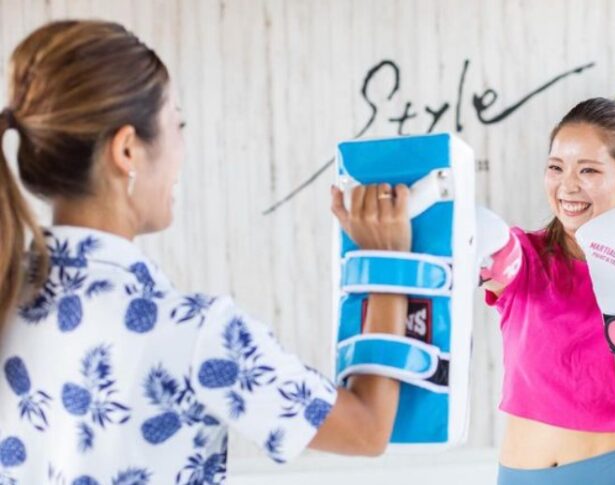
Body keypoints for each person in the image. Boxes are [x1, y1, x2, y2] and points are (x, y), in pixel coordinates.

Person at [0, 20, 411, 484]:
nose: (181, 149)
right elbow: (366, 430)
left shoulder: (7, 299)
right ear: (128, 150)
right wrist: (385, 262)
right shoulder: (194, 333)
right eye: (177, 124)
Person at [481, 97, 615, 485]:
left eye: (589, 169)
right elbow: (494, 262)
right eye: (556, 167)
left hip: (612, 474)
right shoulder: (524, 254)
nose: (567, 185)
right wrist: (473, 245)